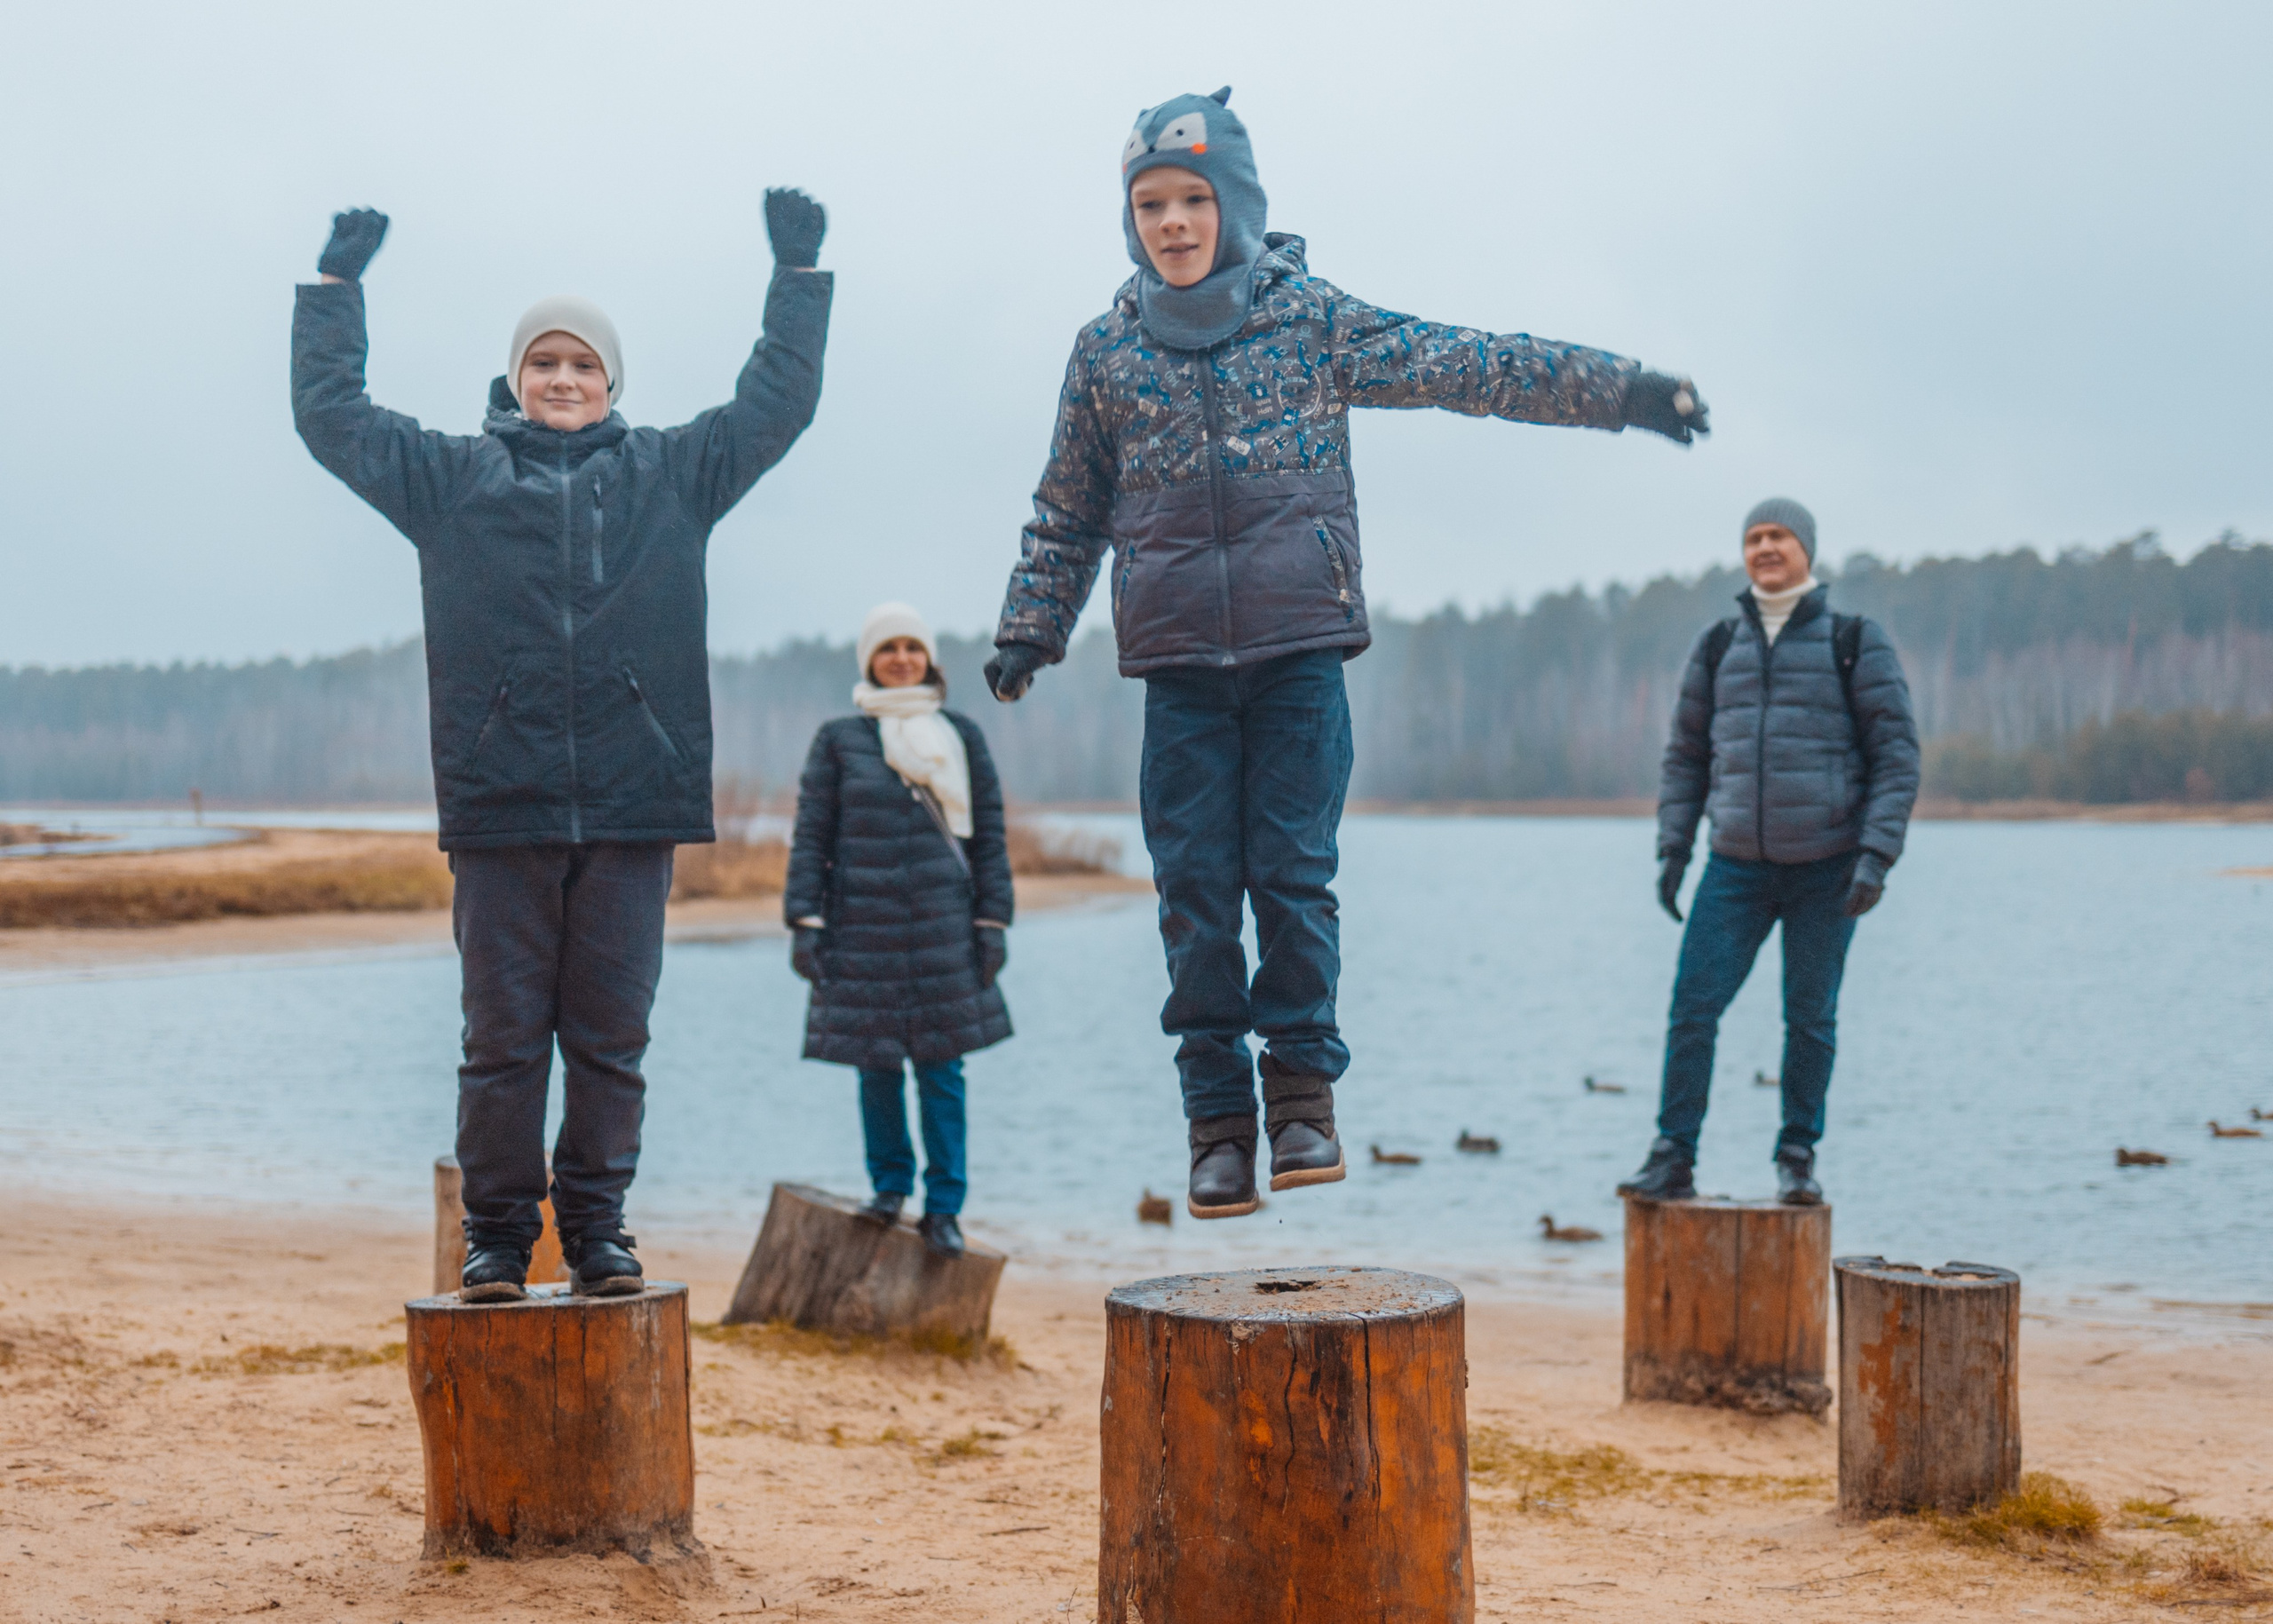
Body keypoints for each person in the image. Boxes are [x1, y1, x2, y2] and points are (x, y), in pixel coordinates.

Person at [980, 87, 1712, 1220]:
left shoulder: (1308, 318)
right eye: (1150, 204)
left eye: (1192, 199)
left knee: (1291, 876)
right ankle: (1218, 1124)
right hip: (1178, 669)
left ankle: (1305, 1100)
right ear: (1131, 220)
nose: (1172, 222)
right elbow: (1068, 509)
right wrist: (1033, 623)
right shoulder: (1106, 353)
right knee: (1192, 896)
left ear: (1237, 203)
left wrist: (1623, 393)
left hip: (1297, 656)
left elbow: (1470, 366)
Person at [290, 194, 833, 1300]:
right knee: (500, 1045)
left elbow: (777, 403)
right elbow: (330, 414)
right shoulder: (451, 480)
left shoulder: (676, 476)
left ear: (611, 382)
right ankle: (497, 1237)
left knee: (609, 1041)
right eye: (544, 363)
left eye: (583, 364)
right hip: (503, 806)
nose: (564, 380)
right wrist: (335, 289)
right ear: (516, 378)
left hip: (636, 809)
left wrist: (798, 274)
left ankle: (597, 1232)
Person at [1620, 498, 1921, 1206]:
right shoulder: (1719, 645)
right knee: (1693, 1007)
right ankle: (1674, 1155)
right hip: (1735, 867)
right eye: (1754, 537)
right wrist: (1674, 848)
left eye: (1778, 536)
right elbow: (1686, 756)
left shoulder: (1854, 639)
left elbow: (1897, 756)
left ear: (1806, 549)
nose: (1764, 547)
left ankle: (1797, 1158)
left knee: (1809, 1017)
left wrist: (1876, 855)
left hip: (1829, 865)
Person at [784, 604, 1014, 1259]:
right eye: (889, 648)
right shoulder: (838, 739)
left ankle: (944, 1208)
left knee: (943, 1072)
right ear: (870, 661)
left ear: (929, 658)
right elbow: (811, 839)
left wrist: (992, 921)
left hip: (946, 928)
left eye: (914, 647)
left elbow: (990, 839)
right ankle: (888, 1189)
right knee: (876, 1067)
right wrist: (805, 920)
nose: (903, 657)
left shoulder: (962, 735)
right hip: (862, 929)